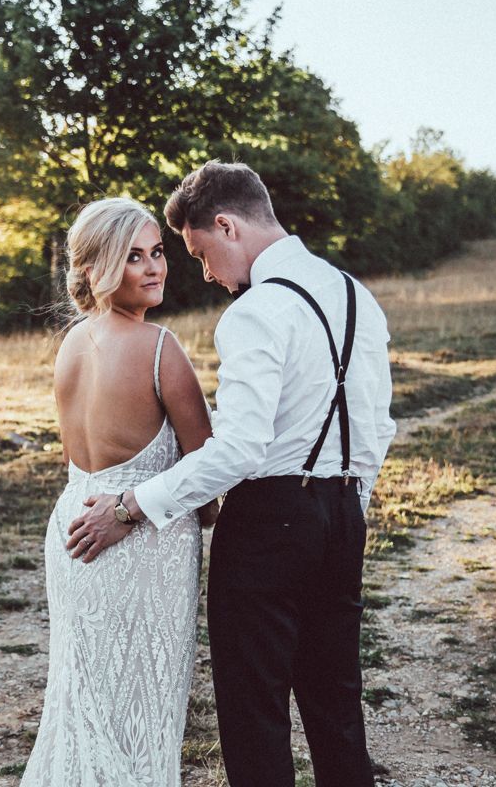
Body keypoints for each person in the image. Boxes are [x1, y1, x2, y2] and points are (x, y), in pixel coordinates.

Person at [68, 162, 396, 787]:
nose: (206, 273)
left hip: (268, 523)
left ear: (226, 225)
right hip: (344, 516)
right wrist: (349, 500)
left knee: (254, 711)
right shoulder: (357, 294)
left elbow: (241, 449)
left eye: (199, 253)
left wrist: (129, 506)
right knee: (336, 704)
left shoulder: (254, 312)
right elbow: (378, 427)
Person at [20, 197, 219, 787]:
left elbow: (76, 459)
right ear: (97, 269)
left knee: (82, 702)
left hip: (72, 529)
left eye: (158, 252)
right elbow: (207, 482)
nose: (155, 267)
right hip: (142, 546)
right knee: (142, 709)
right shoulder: (161, 349)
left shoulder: (71, 346)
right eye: (134, 257)